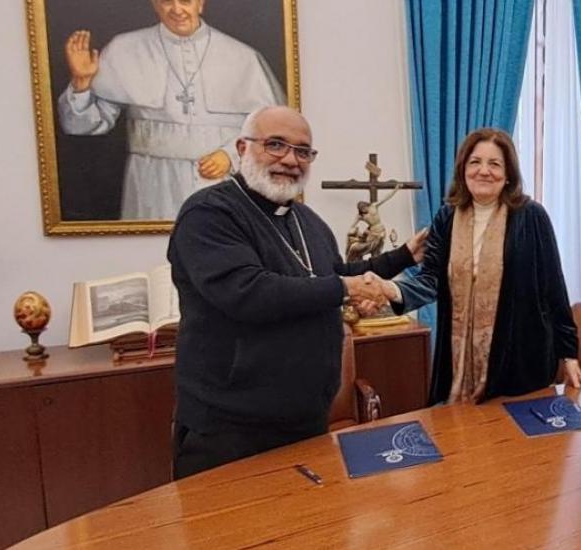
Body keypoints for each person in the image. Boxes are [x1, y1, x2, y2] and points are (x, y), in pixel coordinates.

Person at [167, 106, 426, 478]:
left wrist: (402, 257)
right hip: (231, 430)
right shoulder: (209, 213)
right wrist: (344, 287)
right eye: (276, 145)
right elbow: (248, 292)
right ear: (242, 147)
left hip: (306, 420)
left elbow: (332, 275)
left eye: (303, 151)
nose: (291, 159)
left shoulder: (308, 221)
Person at [362, 128, 581, 405]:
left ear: (508, 175)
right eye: (475, 162)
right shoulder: (447, 217)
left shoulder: (531, 216)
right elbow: (431, 280)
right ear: (463, 170)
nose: (484, 171)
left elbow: (554, 289)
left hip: (522, 356)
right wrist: (391, 289)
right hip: (459, 360)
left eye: (494, 164)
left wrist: (570, 354)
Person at [59, 0, 285, 220]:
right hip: (152, 182)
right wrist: (82, 83)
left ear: (201, 3)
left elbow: (274, 129)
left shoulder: (242, 57)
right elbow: (82, 127)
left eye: (186, 1)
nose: (177, 10)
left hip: (221, 179)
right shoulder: (125, 48)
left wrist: (231, 155)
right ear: (154, 4)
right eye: (166, 1)